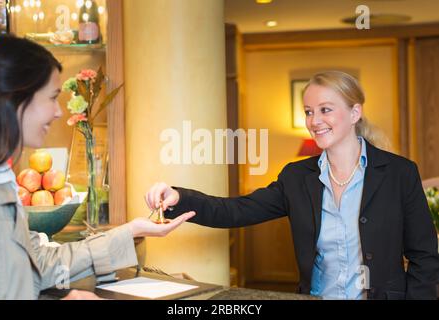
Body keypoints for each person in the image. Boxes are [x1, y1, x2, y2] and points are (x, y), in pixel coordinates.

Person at [146, 71, 439, 300]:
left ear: (354, 113)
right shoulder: (297, 178)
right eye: (309, 111)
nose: (314, 121)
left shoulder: (399, 173)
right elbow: (234, 210)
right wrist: (178, 197)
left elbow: (424, 256)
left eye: (325, 110)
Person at [0, 35, 195, 300]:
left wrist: (131, 231)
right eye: (52, 98)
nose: (58, 112)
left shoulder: (1, 179)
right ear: (15, 98)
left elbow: (38, 263)